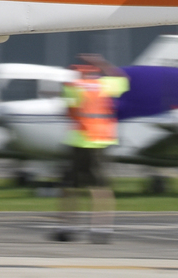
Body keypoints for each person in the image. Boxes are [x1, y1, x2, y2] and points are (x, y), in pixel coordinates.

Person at [51, 53, 127, 244]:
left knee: (70, 186)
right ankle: (102, 229)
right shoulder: (103, 86)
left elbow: (67, 109)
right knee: (100, 187)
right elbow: (122, 80)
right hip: (100, 141)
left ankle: (67, 228)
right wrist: (102, 62)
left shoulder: (74, 87)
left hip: (80, 141)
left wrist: (71, 78)